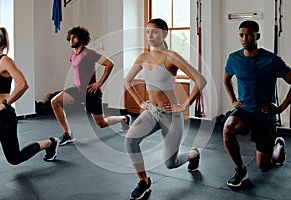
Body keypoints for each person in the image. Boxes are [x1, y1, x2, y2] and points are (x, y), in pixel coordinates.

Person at [124, 18, 207, 199]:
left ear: (164, 33)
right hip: (152, 111)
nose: (150, 35)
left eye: (154, 31)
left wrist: (185, 105)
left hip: (170, 115)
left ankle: (194, 154)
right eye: (147, 32)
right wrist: (140, 102)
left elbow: (201, 80)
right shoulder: (143, 57)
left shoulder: (171, 56)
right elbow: (127, 80)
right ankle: (144, 182)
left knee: (171, 163)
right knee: (130, 141)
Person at [223, 20, 291, 188]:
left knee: (264, 167)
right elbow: (226, 79)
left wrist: (280, 108)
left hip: (265, 113)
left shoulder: (272, 60)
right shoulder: (234, 58)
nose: (245, 38)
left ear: (257, 36)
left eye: (249, 35)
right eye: (241, 35)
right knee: (228, 128)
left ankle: (277, 148)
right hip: (245, 109)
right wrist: (233, 100)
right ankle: (240, 170)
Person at [0, 26, 59, 167]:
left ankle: (50, 143)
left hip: (1, 113)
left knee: (14, 158)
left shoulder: (4, 61)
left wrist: (5, 103)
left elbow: (23, 84)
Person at [51, 26, 131, 146]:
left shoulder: (89, 53)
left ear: (81, 39)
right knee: (55, 102)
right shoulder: (73, 55)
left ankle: (124, 118)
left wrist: (99, 83)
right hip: (77, 89)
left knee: (101, 123)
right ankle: (68, 134)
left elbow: (110, 64)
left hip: (91, 92)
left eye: (74, 37)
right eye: (70, 37)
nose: (71, 40)